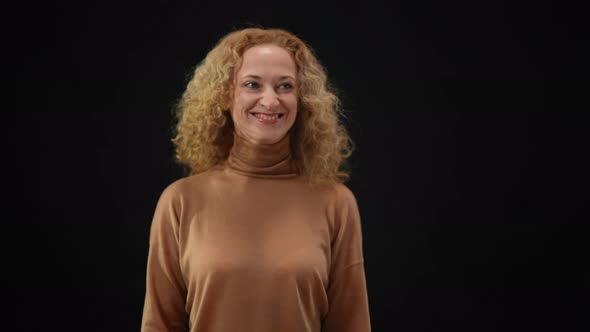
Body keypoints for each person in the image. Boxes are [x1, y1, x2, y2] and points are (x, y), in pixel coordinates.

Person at [140, 27, 371, 332]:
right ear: (225, 95)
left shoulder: (336, 203)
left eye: (285, 86)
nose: (270, 101)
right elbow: (160, 324)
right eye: (252, 84)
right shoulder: (180, 201)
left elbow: (350, 324)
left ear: (303, 100)